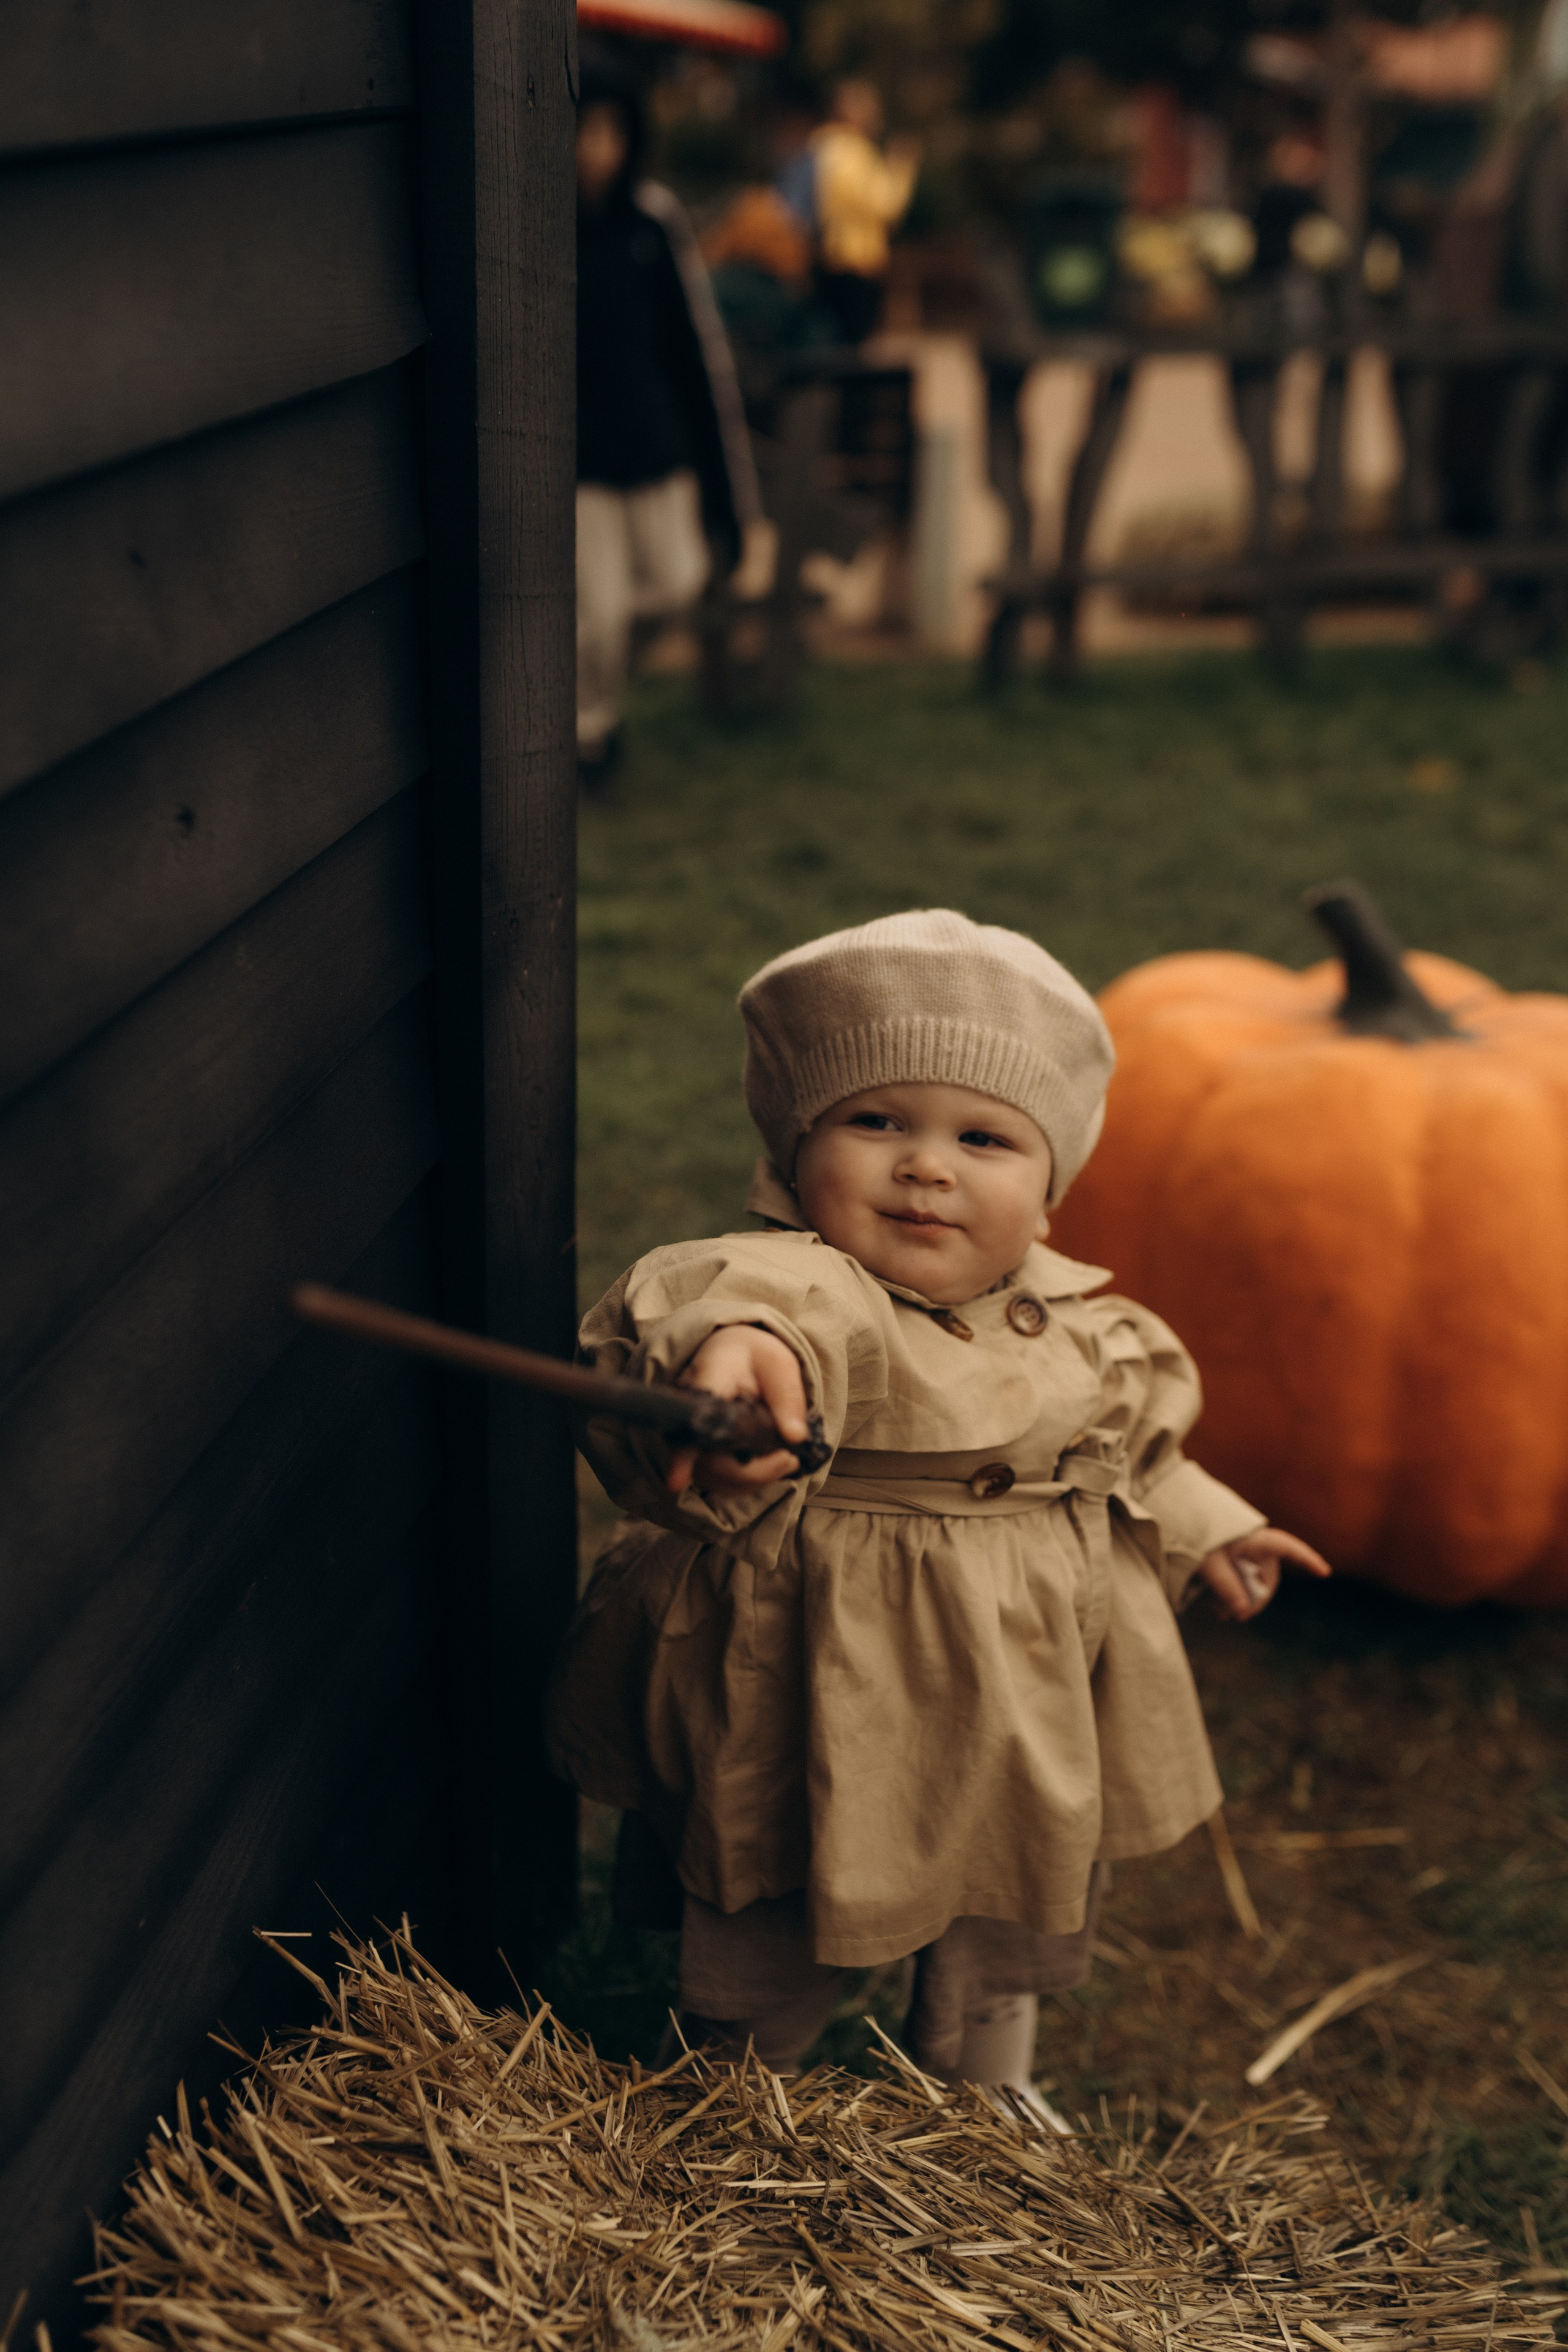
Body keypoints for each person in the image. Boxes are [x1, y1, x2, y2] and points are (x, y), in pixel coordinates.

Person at [549, 910, 1330, 2113]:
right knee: (785, 1871)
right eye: (875, 1123)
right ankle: (734, 2084)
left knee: (1006, 1879)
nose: (926, 1165)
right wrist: (731, 1362)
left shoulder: (1080, 1322)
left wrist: (1207, 1523)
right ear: (793, 1155)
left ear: (1049, 1189)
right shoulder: (805, 1287)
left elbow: (1125, 1450)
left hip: (1018, 1680)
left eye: (983, 1137)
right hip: (825, 1664)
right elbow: (723, 1306)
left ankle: (990, 2082)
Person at [575, 59, 761, 786]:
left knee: (677, 586)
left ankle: (591, 704)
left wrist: (729, 503)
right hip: (580, 469)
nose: (596, 150)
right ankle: (590, 735)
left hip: (657, 456)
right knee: (603, 614)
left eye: (611, 133)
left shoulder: (654, 222)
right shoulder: (532, 224)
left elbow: (696, 357)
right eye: (584, 131)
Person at [807, 79, 920, 343]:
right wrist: (902, 165)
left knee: (832, 338)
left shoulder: (820, 147)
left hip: (823, 254)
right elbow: (886, 207)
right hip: (857, 259)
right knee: (855, 343)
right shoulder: (854, 152)